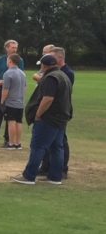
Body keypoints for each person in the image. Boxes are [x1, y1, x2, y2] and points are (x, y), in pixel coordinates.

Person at [11, 54, 72, 185]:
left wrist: (38, 114)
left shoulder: (50, 78)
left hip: (48, 118)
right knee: (57, 147)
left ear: (44, 65)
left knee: (38, 146)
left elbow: (48, 99)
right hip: (61, 118)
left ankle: (29, 176)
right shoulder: (63, 76)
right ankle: (55, 177)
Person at [37, 46, 75, 178]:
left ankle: (62, 169)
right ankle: (46, 166)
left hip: (58, 113)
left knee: (61, 142)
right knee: (50, 141)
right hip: (52, 113)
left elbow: (59, 93)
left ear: (59, 58)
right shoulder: (55, 71)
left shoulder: (67, 73)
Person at [0, 53, 26, 149]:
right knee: (19, 122)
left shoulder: (8, 73)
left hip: (11, 102)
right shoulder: (22, 73)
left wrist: (2, 101)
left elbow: (5, 90)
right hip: (20, 102)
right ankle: (18, 143)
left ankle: (11, 143)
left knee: (11, 121)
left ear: (10, 61)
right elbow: (24, 88)